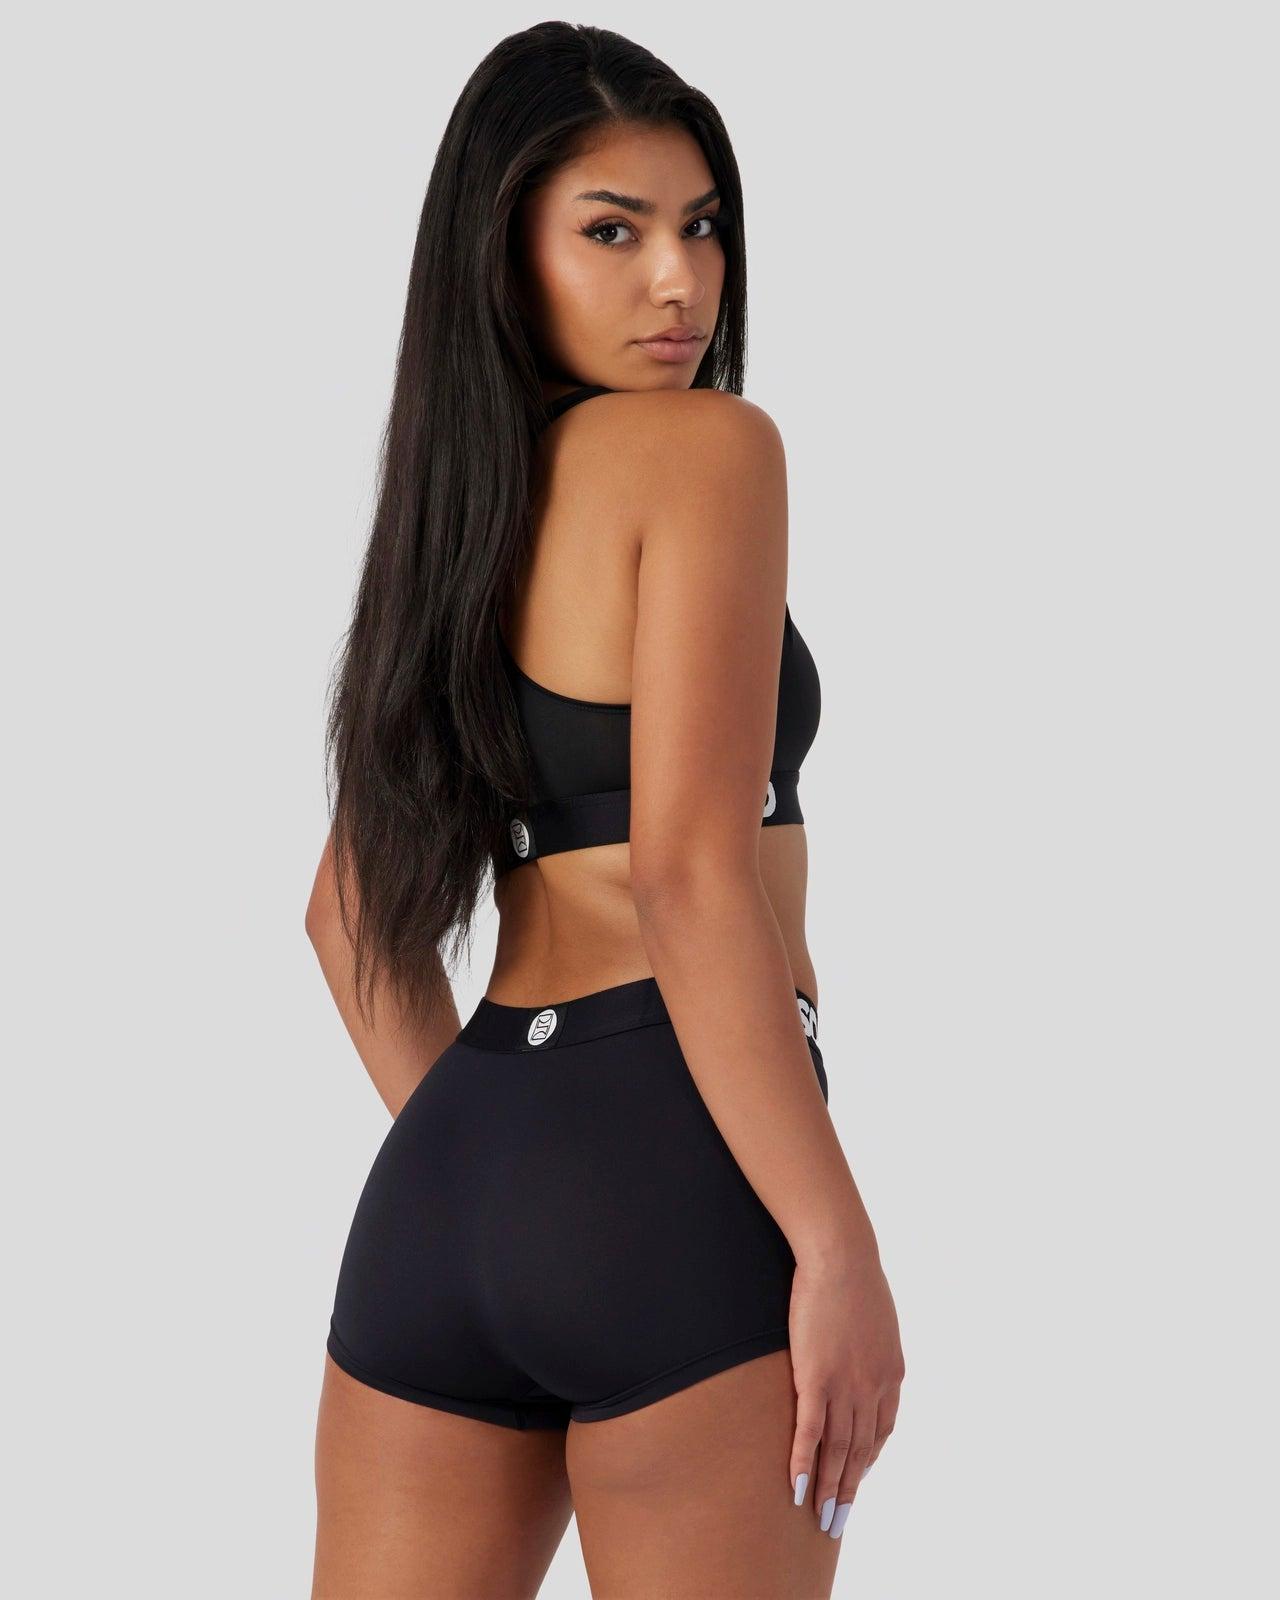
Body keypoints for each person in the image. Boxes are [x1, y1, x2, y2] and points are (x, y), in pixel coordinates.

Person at [305, 22, 904, 1599]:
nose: (679, 283)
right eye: (613, 231)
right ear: (504, 253)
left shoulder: (456, 509)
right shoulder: (711, 451)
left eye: (701, 225)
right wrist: (835, 1245)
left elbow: (346, 915)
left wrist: (505, 1174)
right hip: (676, 1170)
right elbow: (692, 876)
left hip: (448, 1191)